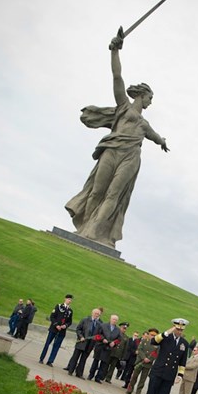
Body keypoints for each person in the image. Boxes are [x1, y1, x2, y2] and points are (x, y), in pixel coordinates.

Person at [65, 27, 169, 249]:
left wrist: (163, 142)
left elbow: (156, 137)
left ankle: (95, 231)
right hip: (112, 151)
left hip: (130, 158)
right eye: (150, 98)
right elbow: (117, 76)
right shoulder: (124, 106)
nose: (151, 102)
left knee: (113, 194)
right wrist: (115, 51)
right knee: (97, 191)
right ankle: (84, 227)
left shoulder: (144, 125)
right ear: (141, 95)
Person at [142, 318, 189, 394]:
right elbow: (154, 341)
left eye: (181, 330)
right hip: (158, 371)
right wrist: (168, 332)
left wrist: (180, 375)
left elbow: (183, 361)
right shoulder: (165, 337)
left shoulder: (184, 343)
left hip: (169, 375)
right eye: (178, 329)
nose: (179, 331)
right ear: (173, 328)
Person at [65, 308, 102, 378]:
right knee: (75, 357)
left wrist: (97, 338)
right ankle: (71, 370)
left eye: (98, 314)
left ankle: (79, 373)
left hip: (90, 344)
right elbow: (78, 329)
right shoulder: (85, 320)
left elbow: (99, 335)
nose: (96, 315)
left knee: (83, 359)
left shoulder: (99, 324)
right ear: (92, 313)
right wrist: (81, 337)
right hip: (81, 342)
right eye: (95, 313)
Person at [39, 294, 73, 367]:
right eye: (68, 299)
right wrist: (56, 325)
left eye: (70, 300)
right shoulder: (58, 306)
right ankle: (41, 358)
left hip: (62, 331)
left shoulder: (70, 311)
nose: (69, 300)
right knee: (47, 344)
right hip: (54, 329)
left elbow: (70, 322)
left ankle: (50, 361)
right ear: (65, 299)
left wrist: (65, 326)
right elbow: (52, 317)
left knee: (56, 346)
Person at [126, 328, 159, 394]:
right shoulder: (144, 341)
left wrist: (149, 359)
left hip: (148, 364)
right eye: (151, 335)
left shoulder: (157, 345)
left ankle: (138, 392)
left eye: (154, 335)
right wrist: (144, 358)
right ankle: (130, 388)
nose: (152, 336)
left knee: (143, 379)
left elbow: (156, 354)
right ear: (149, 334)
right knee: (134, 376)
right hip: (140, 362)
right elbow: (139, 349)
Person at [88, 314, 122, 383]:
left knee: (103, 364)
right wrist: (102, 339)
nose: (114, 321)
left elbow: (119, 339)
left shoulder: (118, 330)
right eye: (113, 319)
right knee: (96, 361)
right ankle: (91, 375)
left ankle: (98, 377)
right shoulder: (103, 325)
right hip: (100, 346)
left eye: (116, 320)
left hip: (108, 348)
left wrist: (114, 343)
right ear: (110, 319)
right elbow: (97, 334)